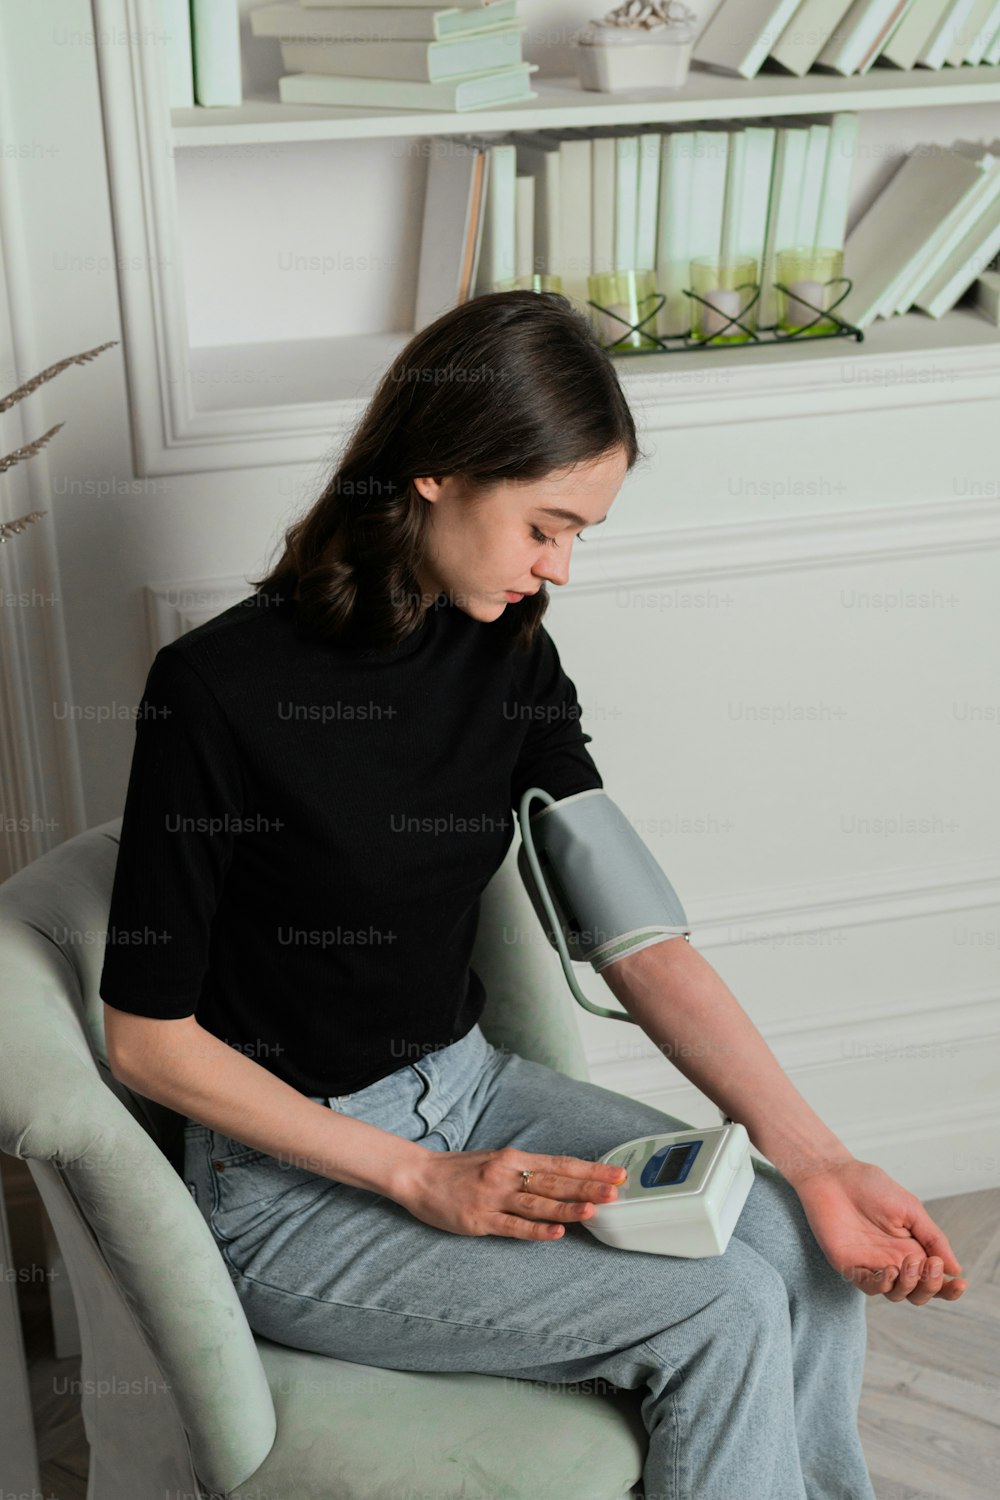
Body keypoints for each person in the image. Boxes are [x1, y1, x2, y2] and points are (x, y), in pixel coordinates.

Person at [100, 290, 966, 1500]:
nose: (558, 566)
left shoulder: (507, 647)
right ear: (439, 473)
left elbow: (637, 937)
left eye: (580, 535)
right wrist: (414, 1176)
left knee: (799, 1254)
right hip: (289, 1189)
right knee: (716, 1308)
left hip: (476, 1088)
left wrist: (817, 1160)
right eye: (546, 526)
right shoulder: (213, 689)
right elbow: (147, 1041)